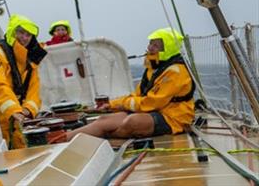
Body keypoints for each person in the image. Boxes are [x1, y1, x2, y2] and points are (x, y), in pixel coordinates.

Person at [67, 27, 195, 140]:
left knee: (132, 122)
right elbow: (138, 95)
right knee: (104, 120)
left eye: (156, 45)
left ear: (167, 49)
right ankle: (60, 138)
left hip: (173, 118)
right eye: (151, 43)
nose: (150, 47)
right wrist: (111, 105)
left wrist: (123, 104)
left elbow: (151, 103)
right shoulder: (154, 67)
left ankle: (105, 136)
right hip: (150, 112)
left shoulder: (176, 72)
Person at [0, 15, 47, 149]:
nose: (24, 37)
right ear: (12, 32)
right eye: (21, 32)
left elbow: (35, 88)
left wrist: (28, 109)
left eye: (28, 34)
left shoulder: (30, 58)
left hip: (19, 119)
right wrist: (13, 110)